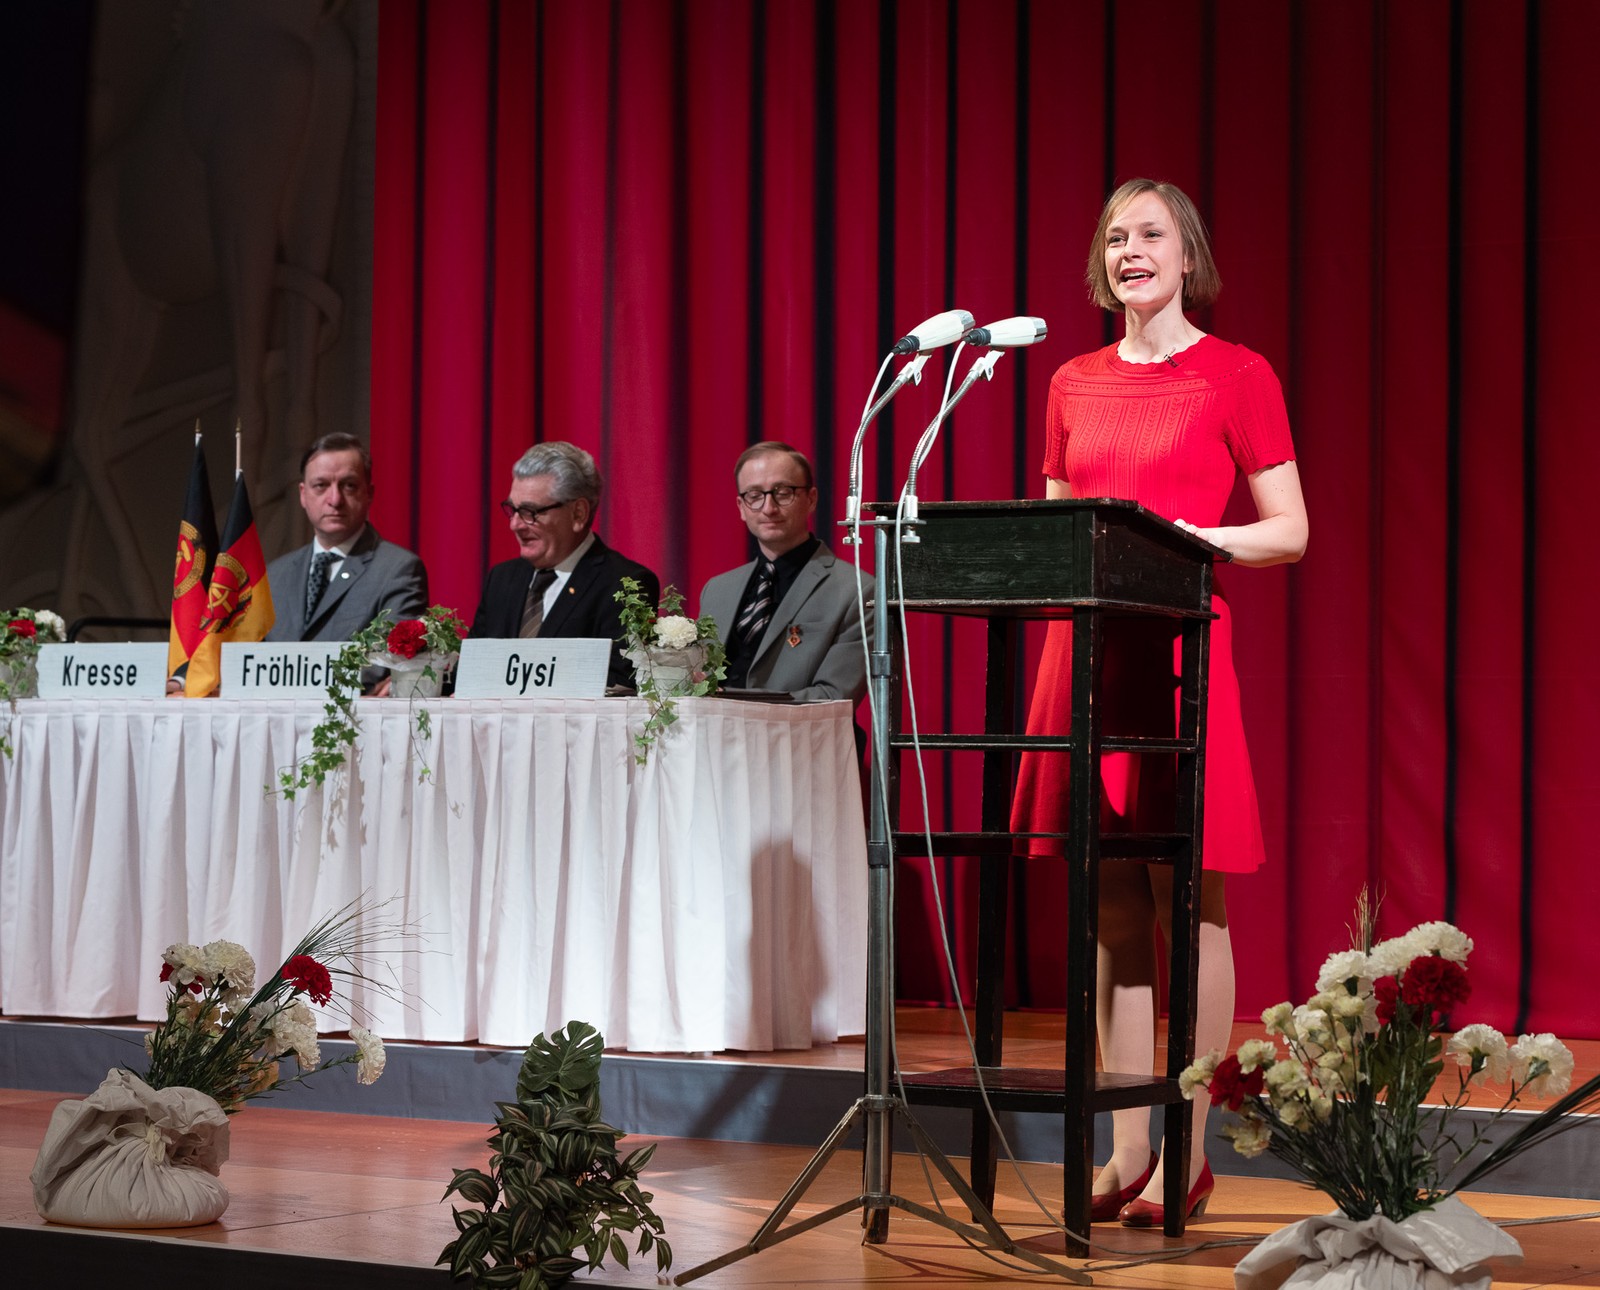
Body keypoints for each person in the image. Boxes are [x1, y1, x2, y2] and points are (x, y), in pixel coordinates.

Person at [1011, 179, 1308, 1227]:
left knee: (1189, 894)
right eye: (1114, 237)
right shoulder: (1071, 380)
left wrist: (1186, 539)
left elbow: (1289, 530)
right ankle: (1125, 1144)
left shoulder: (1238, 374)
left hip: (1179, 644)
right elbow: (1057, 526)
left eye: (1149, 234)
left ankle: (1188, 1144)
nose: (1129, 251)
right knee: (1109, 903)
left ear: (1188, 257)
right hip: (1085, 650)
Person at [468, 441, 658, 688]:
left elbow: (620, 683)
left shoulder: (625, 585)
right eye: (513, 510)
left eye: (530, 512)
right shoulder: (501, 580)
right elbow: (471, 672)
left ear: (578, 513)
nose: (515, 524)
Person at [699, 442, 870, 704]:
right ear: (741, 507)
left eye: (783, 492)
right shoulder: (716, 590)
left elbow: (833, 698)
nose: (768, 508)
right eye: (754, 495)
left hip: (800, 732)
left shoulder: (856, 591)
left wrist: (742, 707)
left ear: (811, 499)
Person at [266, 433, 429, 642]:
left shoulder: (398, 570)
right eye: (321, 485)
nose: (335, 500)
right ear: (303, 494)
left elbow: (393, 657)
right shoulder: (274, 576)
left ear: (369, 493)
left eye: (349, 485)